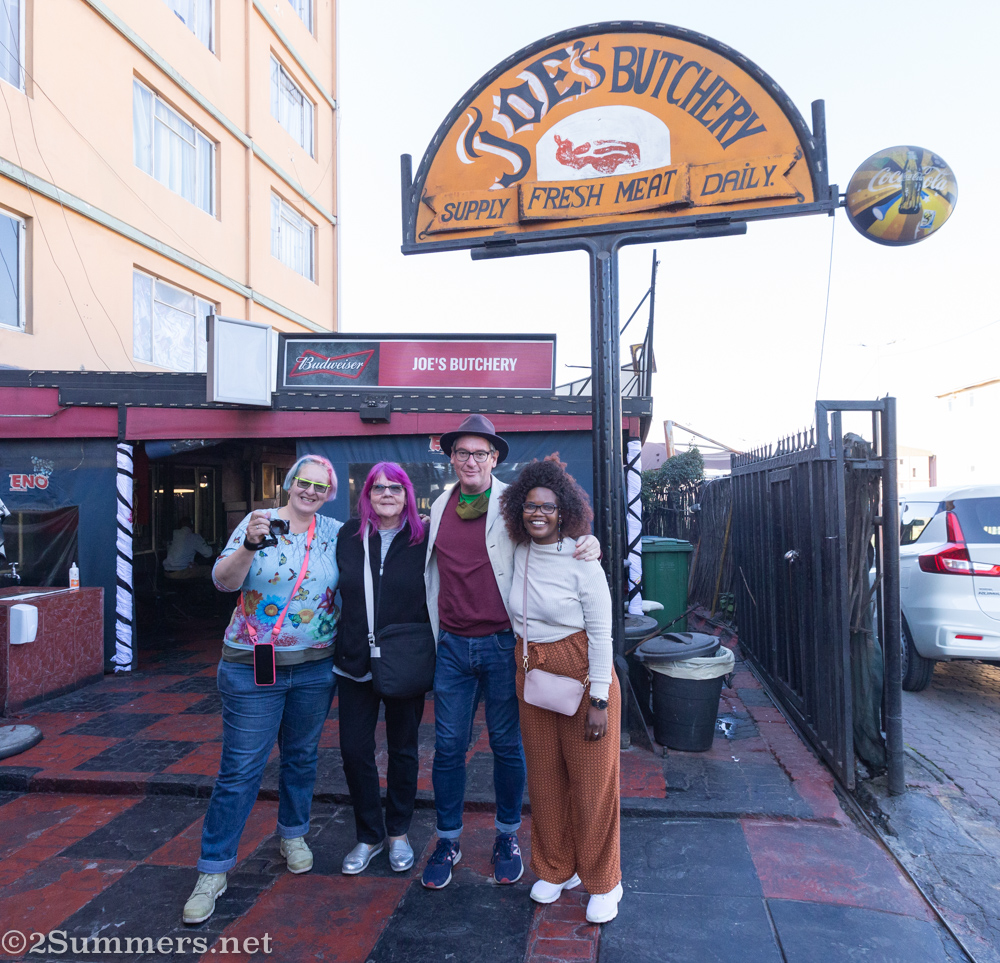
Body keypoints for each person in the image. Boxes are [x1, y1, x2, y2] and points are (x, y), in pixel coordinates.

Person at [420, 414, 600, 890]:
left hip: (504, 644)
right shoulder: (439, 506)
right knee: (448, 748)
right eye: (462, 452)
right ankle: (447, 839)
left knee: (506, 746)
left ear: (495, 458)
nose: (471, 460)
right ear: (450, 457)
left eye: (480, 453)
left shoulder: (512, 504)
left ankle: (506, 836)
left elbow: (552, 534)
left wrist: (588, 542)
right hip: (453, 647)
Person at [182, 455, 342, 925]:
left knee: (301, 757)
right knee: (240, 769)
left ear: (329, 492)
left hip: (315, 666)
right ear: (289, 484)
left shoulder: (335, 532)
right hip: (252, 666)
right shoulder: (259, 524)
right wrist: (250, 546)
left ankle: (292, 833)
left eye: (320, 486)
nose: (310, 491)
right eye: (304, 482)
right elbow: (222, 582)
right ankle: (212, 871)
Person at [501, 456, 623, 924]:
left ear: (564, 511)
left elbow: (602, 633)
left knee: (593, 785)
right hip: (532, 670)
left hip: (581, 668)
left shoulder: (582, 560)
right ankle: (557, 868)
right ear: (518, 509)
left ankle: (604, 881)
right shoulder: (517, 550)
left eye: (548, 507)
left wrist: (598, 699)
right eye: (530, 505)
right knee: (547, 782)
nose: (538, 513)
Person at [335, 463, 430, 875]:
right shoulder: (348, 536)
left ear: (407, 493)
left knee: (403, 751)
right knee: (355, 751)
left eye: (395, 487)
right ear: (367, 495)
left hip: (405, 660)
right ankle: (369, 835)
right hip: (355, 658)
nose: (387, 493)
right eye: (378, 488)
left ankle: (398, 832)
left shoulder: (426, 537)